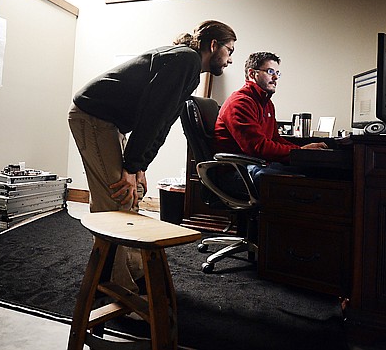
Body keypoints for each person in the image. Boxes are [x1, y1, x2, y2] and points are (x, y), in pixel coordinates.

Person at [68, 20, 237, 294]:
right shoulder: (186, 59)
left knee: (132, 195)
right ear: (213, 45)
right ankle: (113, 286)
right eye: (229, 50)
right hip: (92, 117)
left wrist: (139, 167)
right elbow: (152, 115)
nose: (229, 59)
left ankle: (134, 270)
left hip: (108, 123)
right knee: (115, 199)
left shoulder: (189, 68)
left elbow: (163, 122)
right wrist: (130, 166)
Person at [213, 51, 327, 189]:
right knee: (304, 184)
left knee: (318, 174)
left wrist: (300, 152)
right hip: (238, 172)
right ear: (252, 74)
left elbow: (275, 139)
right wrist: (300, 150)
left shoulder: (266, 103)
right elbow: (257, 147)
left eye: (277, 73)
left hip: (257, 165)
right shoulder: (239, 103)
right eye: (270, 71)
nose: (275, 77)